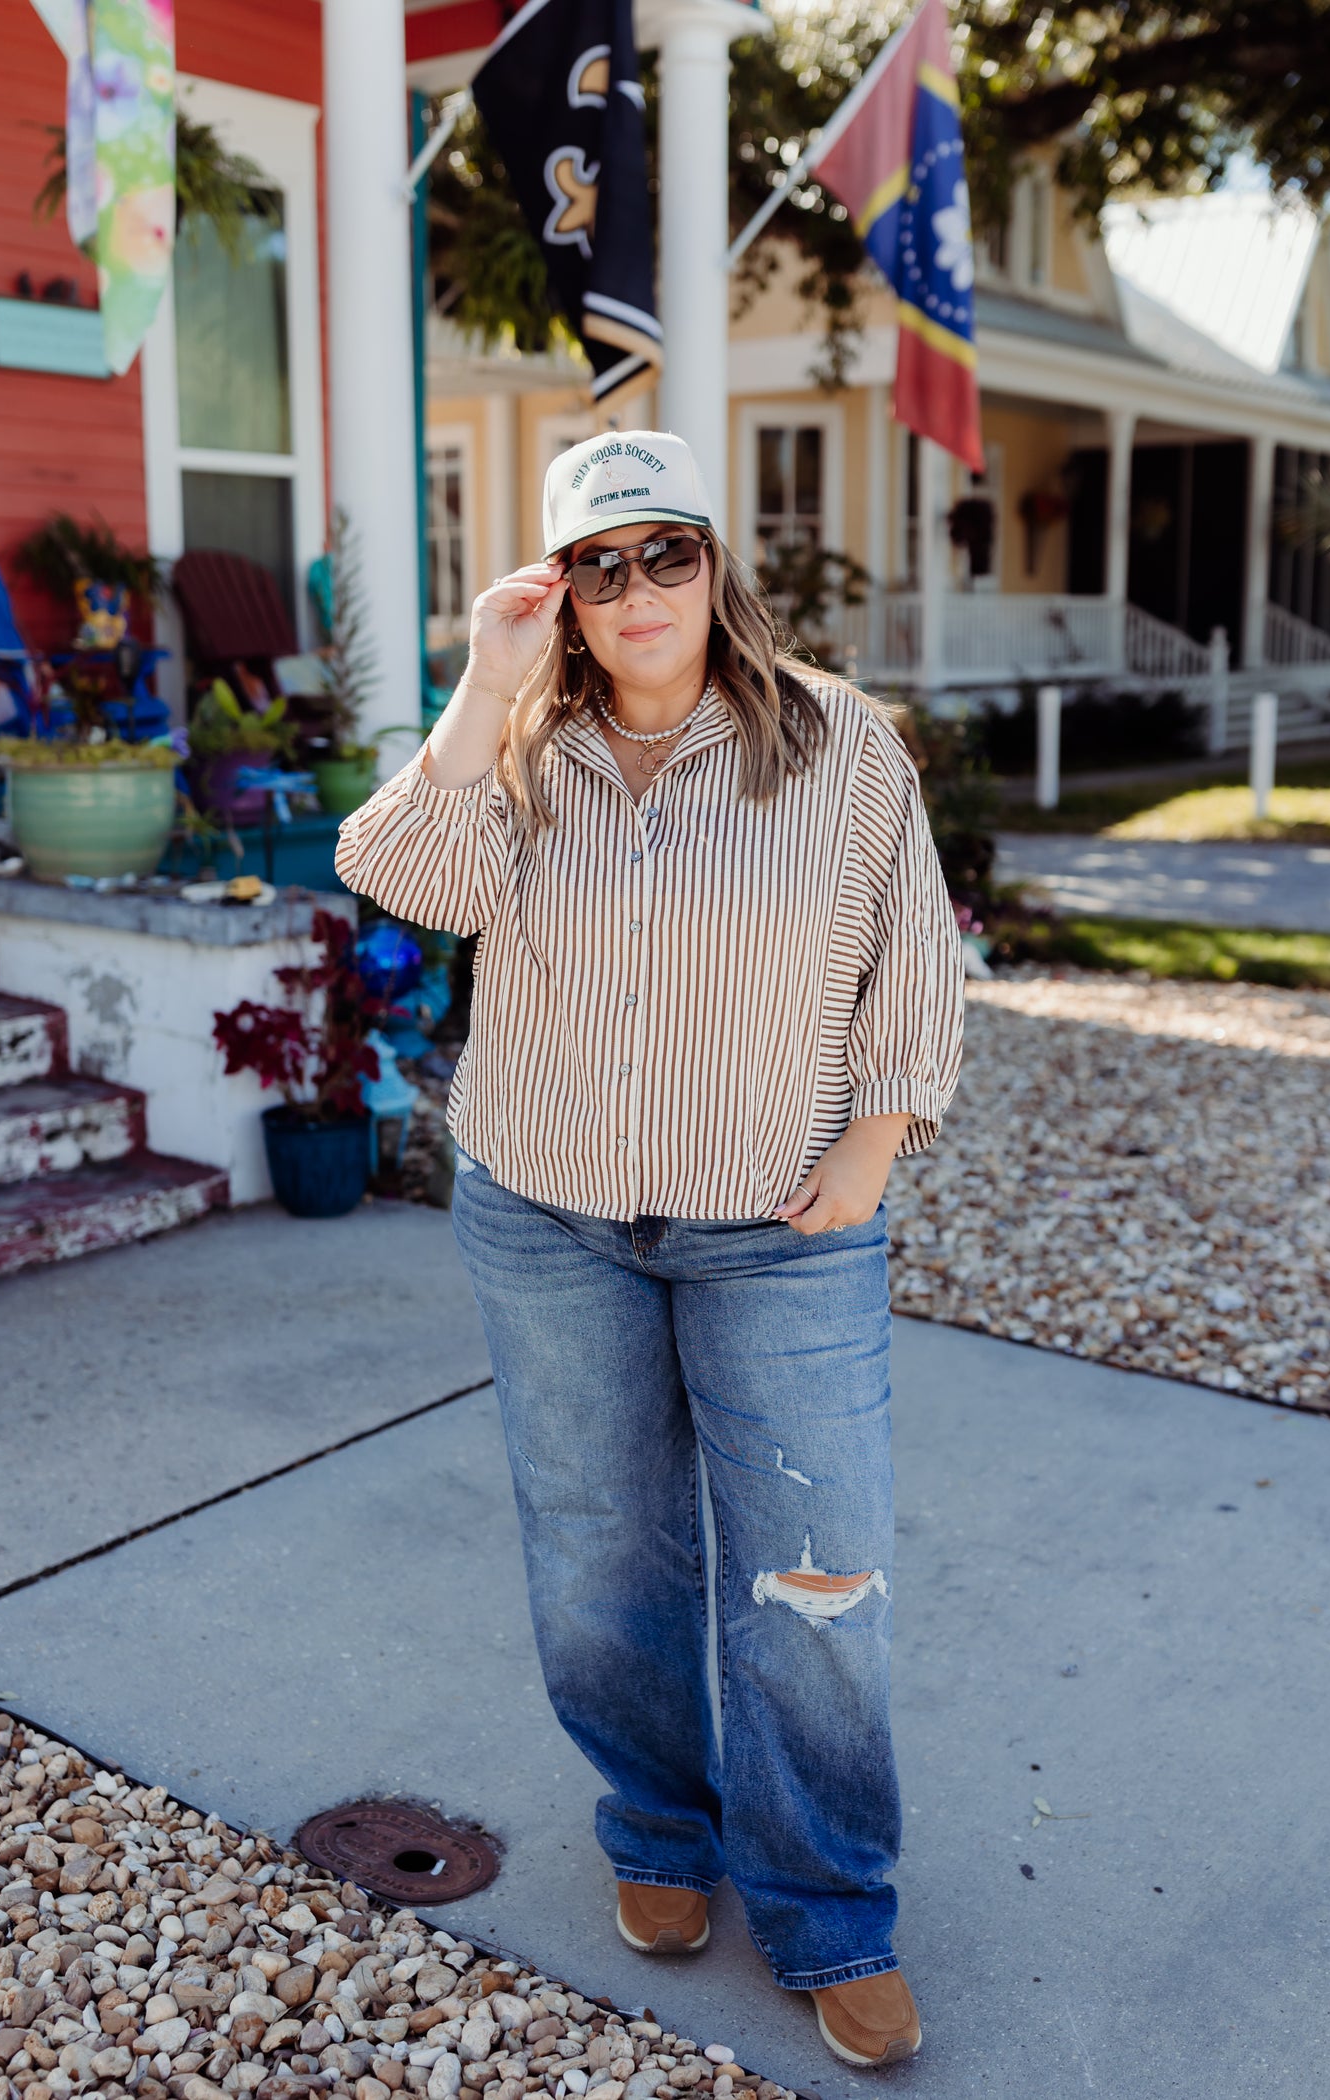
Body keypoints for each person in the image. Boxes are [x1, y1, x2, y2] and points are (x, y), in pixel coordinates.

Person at [337, 431, 964, 2069]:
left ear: (714, 559)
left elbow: (915, 953)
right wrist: (483, 681)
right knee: (606, 1560)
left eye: (662, 552)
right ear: (562, 589)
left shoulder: (841, 743)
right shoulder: (522, 750)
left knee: (816, 1585)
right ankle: (663, 1837)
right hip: (547, 1217)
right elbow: (395, 875)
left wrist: (877, 1137)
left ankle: (829, 1910)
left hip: (776, 1230)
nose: (635, 592)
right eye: (594, 566)